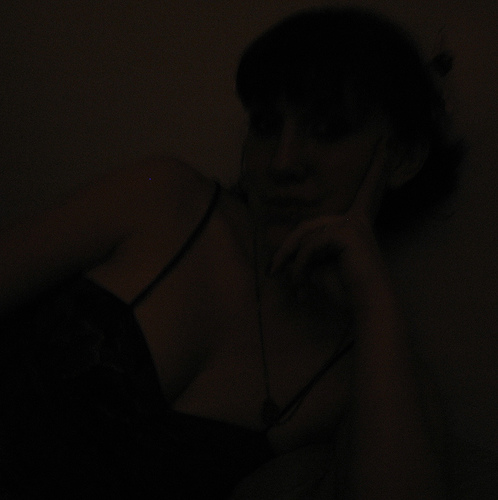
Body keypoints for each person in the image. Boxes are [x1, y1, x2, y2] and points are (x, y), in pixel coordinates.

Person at [0, 6, 462, 499]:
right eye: (265, 125)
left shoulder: (362, 368)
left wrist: (372, 295)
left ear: (401, 158)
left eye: (328, 129)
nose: (282, 162)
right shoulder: (164, 198)